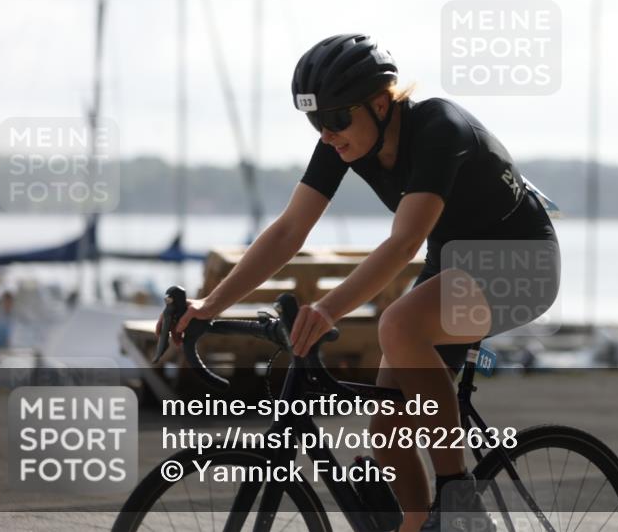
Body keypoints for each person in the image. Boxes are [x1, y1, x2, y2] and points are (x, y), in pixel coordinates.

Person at [161, 33, 560, 531]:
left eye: (336, 118)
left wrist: (327, 309)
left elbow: (403, 243)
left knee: (398, 324)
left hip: (521, 264)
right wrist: (210, 303)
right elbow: (288, 231)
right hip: (453, 263)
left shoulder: (440, 128)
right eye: (315, 121)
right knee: (388, 434)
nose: (327, 133)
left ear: (380, 102)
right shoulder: (342, 143)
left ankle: (461, 505)